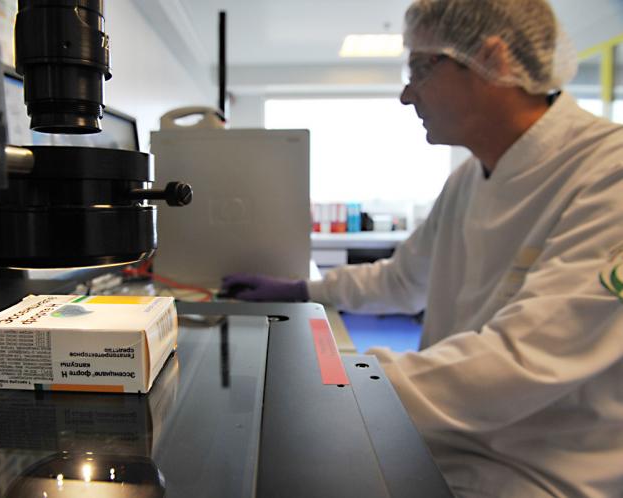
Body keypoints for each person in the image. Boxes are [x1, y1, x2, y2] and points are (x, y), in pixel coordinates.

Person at [221, 0, 623, 496]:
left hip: (537, 474)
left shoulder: (609, 173)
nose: (407, 94)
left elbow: (519, 361)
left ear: (493, 59)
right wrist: (304, 287)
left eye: (420, 68)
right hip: (444, 443)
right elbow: (402, 280)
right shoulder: (468, 179)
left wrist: (327, 385)